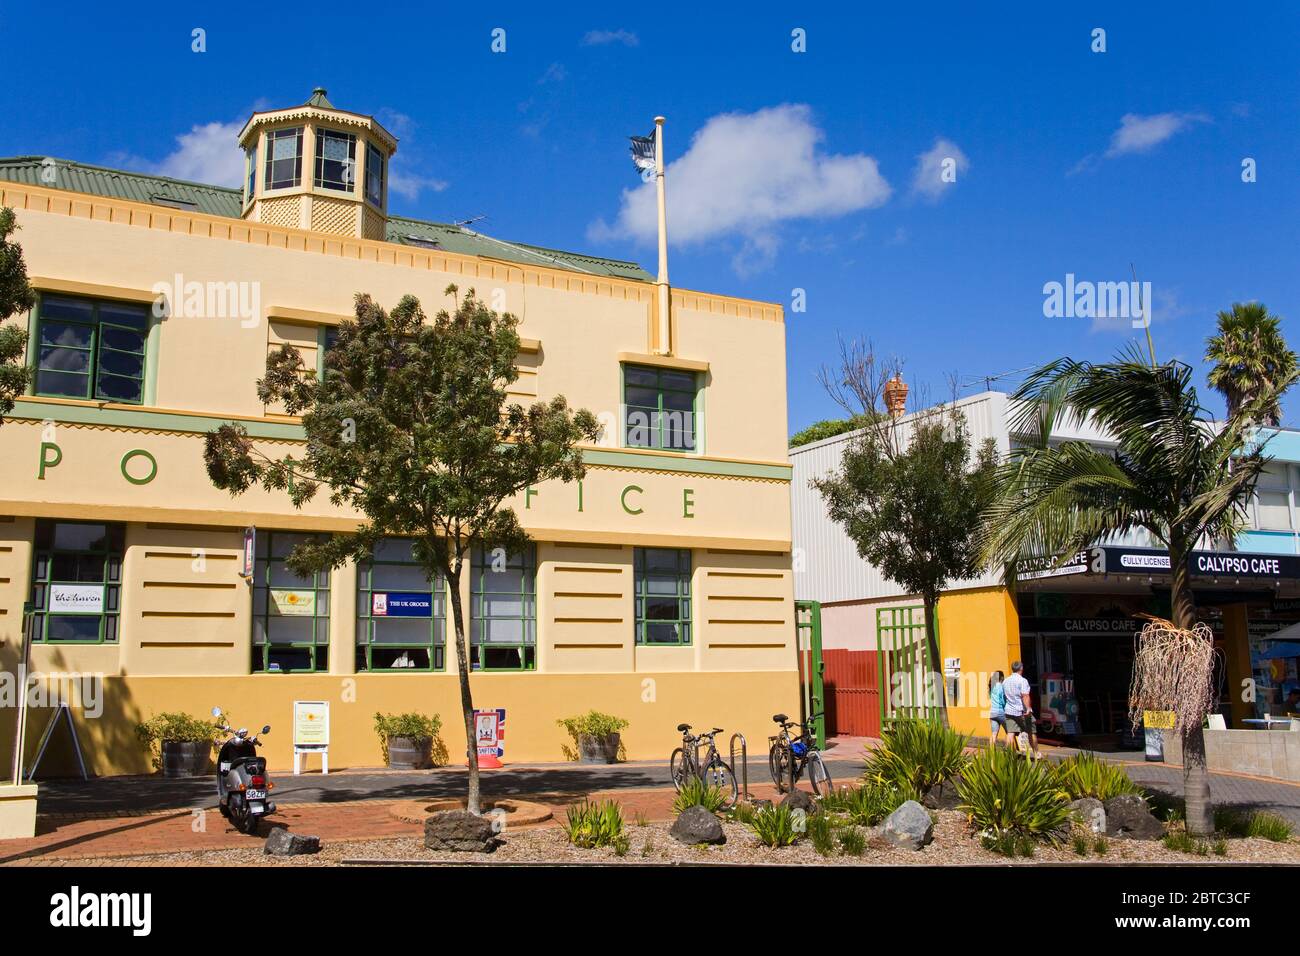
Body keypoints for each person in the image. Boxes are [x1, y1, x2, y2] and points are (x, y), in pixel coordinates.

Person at [1001, 661, 1038, 758]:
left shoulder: (1005, 681)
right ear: (1021, 668)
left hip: (1009, 710)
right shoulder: (1022, 681)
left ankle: (1008, 754)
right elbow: (1025, 696)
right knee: (1031, 731)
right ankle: (1035, 753)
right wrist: (1028, 708)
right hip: (1021, 711)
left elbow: (1004, 696)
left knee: (1010, 732)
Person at [988, 670, 1007, 749]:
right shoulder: (1000, 686)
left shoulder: (991, 686)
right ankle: (1009, 752)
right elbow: (1002, 700)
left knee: (994, 734)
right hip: (1001, 712)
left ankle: (992, 754)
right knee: (1010, 732)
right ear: (1001, 677)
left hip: (992, 712)